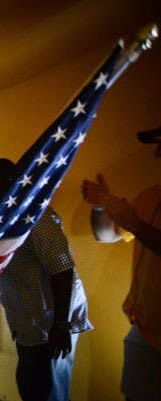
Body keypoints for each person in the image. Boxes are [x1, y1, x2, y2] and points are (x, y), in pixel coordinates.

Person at [0, 159, 93, 401]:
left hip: (50, 326)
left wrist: (61, 324)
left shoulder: (36, 216)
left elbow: (62, 269)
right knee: (30, 386)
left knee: (50, 392)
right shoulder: (3, 220)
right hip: (29, 324)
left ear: (11, 183)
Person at [81, 130, 161, 401]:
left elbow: (136, 228)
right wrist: (100, 206)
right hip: (143, 333)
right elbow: (106, 236)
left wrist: (137, 225)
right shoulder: (150, 196)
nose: (156, 153)